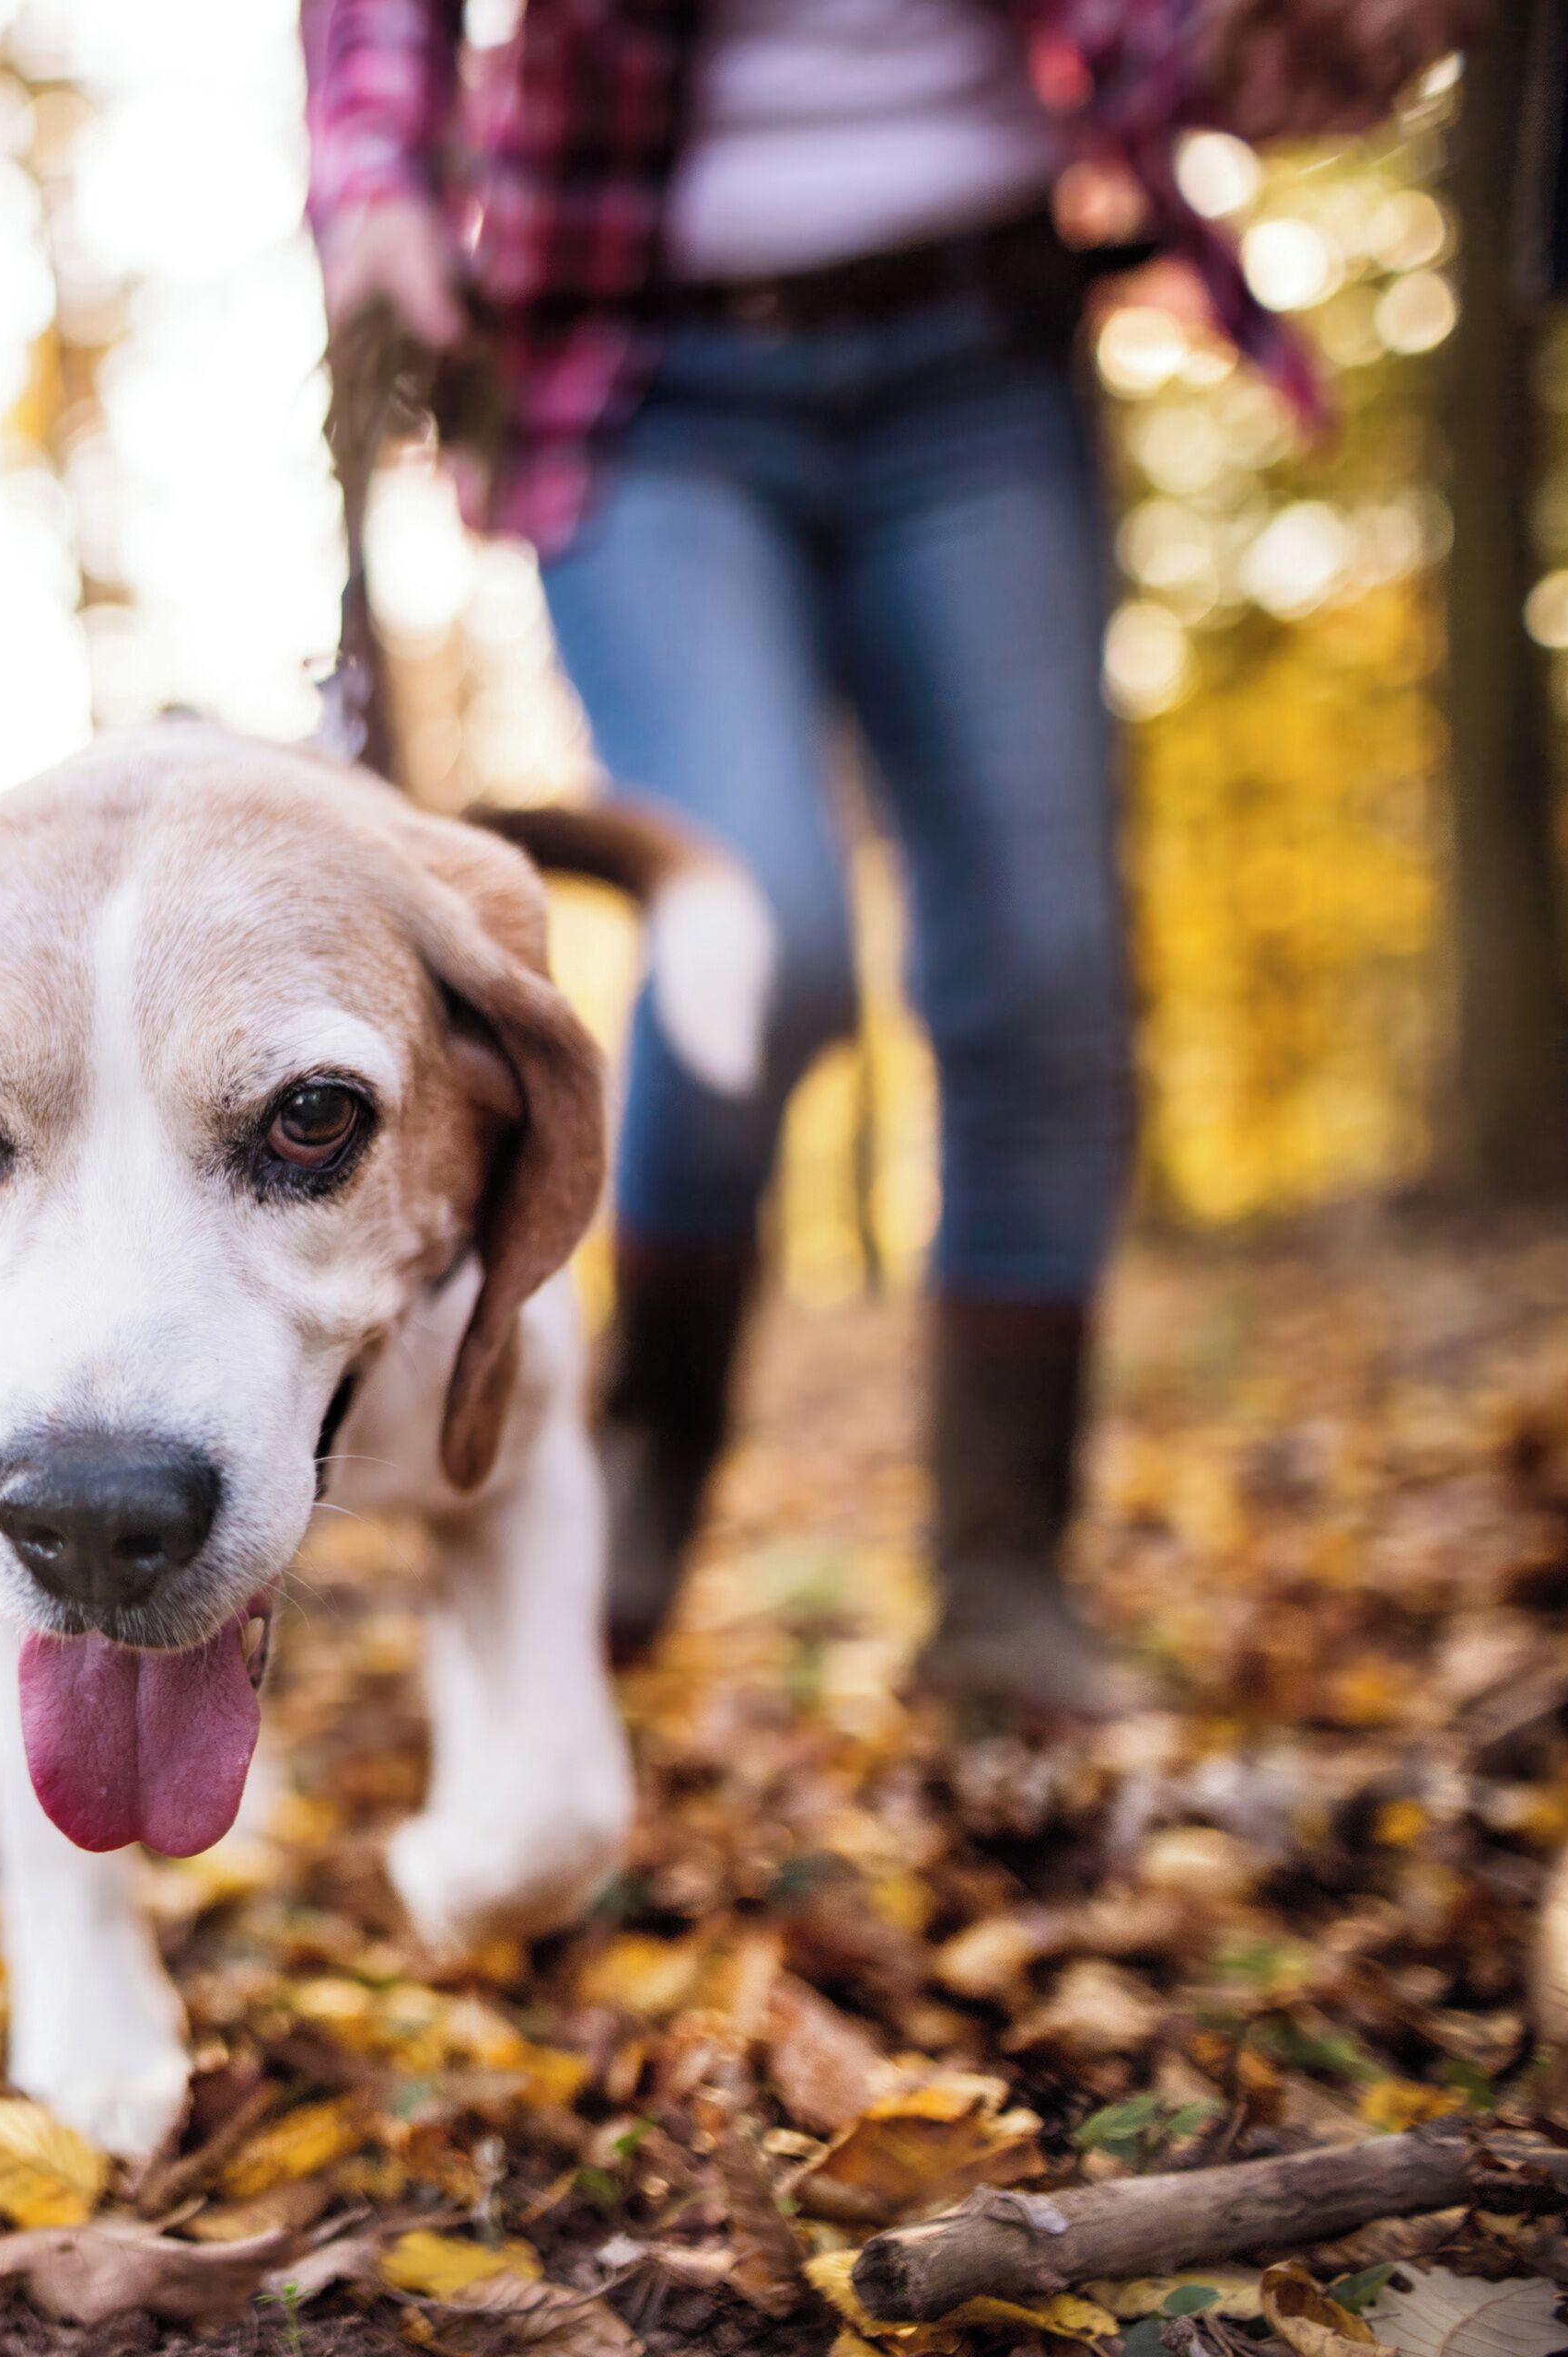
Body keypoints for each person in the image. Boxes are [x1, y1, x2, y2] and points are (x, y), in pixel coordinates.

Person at [301, 0, 1450, 1711]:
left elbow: (1253, 59)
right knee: (756, 931)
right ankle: (649, 1445)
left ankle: (1004, 1580)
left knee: (1044, 969)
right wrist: (379, 180)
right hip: (639, 369)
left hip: (982, 348)